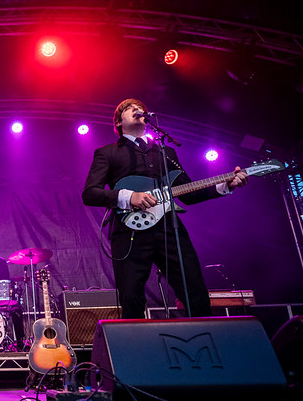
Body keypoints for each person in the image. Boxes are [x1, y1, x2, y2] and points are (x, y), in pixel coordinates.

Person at [81, 99, 248, 319]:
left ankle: (205, 336)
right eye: (129, 109)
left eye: (140, 108)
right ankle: (136, 340)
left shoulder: (165, 152)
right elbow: (90, 193)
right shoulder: (107, 153)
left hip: (169, 229)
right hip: (129, 232)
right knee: (131, 297)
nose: (137, 110)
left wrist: (226, 186)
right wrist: (129, 197)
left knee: (194, 290)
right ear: (118, 122)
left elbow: (188, 192)